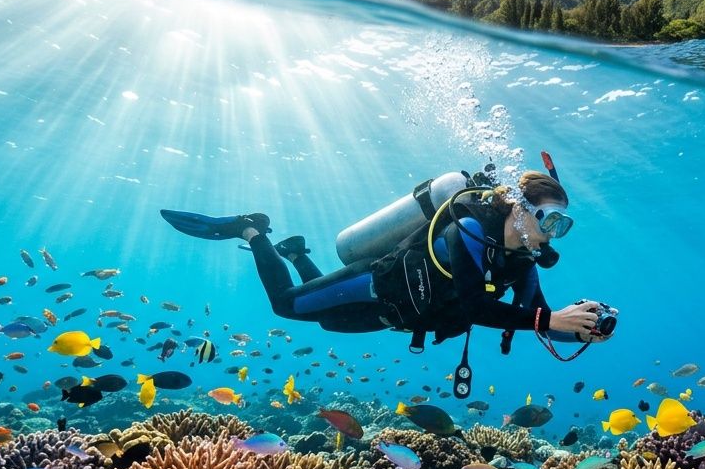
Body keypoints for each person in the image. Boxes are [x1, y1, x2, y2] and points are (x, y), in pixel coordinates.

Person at [161, 167, 613, 395]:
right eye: (553, 222)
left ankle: (297, 253)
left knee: (327, 324)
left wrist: (580, 327)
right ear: (521, 208)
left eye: (562, 228)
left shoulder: (521, 262)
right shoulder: (471, 229)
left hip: (395, 317)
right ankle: (250, 228)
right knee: (287, 306)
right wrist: (550, 317)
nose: (554, 236)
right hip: (373, 284)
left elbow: (536, 316)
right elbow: (480, 308)